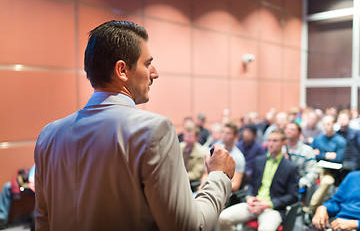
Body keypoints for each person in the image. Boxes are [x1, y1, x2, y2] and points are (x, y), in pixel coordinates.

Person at [34, 20, 236, 231]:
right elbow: (189, 227)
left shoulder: (48, 135)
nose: (154, 73)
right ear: (122, 70)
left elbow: (43, 222)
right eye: (147, 63)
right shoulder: (153, 130)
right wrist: (219, 176)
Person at [219, 130, 299, 231]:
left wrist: (269, 204)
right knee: (222, 217)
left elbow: (293, 196)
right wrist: (249, 197)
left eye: (275, 141)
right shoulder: (259, 161)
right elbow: (251, 184)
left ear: (283, 143)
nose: (271, 144)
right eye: (269, 140)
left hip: (272, 208)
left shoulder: (291, 167)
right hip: (253, 204)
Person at [309, 115, 346, 211]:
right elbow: (310, 154)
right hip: (315, 168)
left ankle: (311, 207)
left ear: (334, 124)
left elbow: (338, 159)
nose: (326, 127)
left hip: (330, 171)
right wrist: (326, 155)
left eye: (328, 124)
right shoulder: (318, 139)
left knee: (327, 181)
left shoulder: (340, 141)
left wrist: (319, 154)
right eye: (324, 124)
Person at [284, 121, 318, 191]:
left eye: (292, 129)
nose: (288, 131)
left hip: (298, 184)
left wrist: (299, 184)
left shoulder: (307, 150)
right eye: (287, 129)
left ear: (299, 133)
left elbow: (313, 172)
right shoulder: (281, 149)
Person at [0, 165, 35, 230]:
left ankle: (36, 218)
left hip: (38, 187)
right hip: (26, 185)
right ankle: (2, 219)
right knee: (7, 186)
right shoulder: (35, 166)